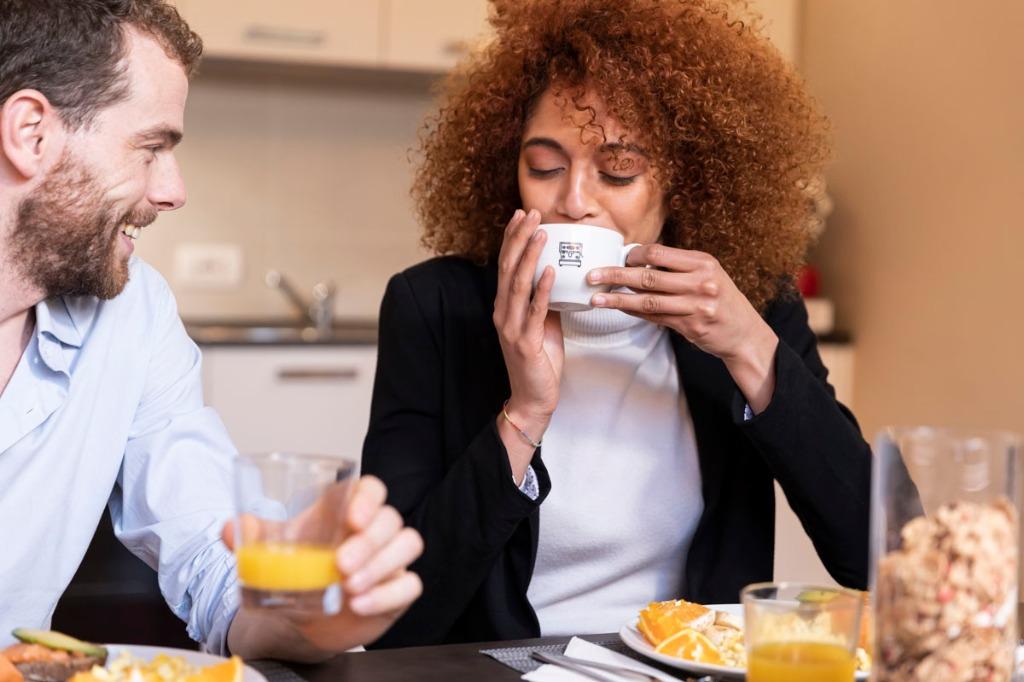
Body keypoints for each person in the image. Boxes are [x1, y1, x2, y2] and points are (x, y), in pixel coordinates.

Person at [362, 0, 871, 648]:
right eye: (544, 166)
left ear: (684, 180)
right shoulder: (435, 309)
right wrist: (523, 414)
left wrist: (750, 350)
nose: (573, 201)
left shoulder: (751, 309)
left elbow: (877, 559)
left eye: (619, 169)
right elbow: (393, 617)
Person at [0, 0, 422, 659]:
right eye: (152, 148)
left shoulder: (134, 313)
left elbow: (210, 555)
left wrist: (308, 611)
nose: (173, 191)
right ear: (30, 134)